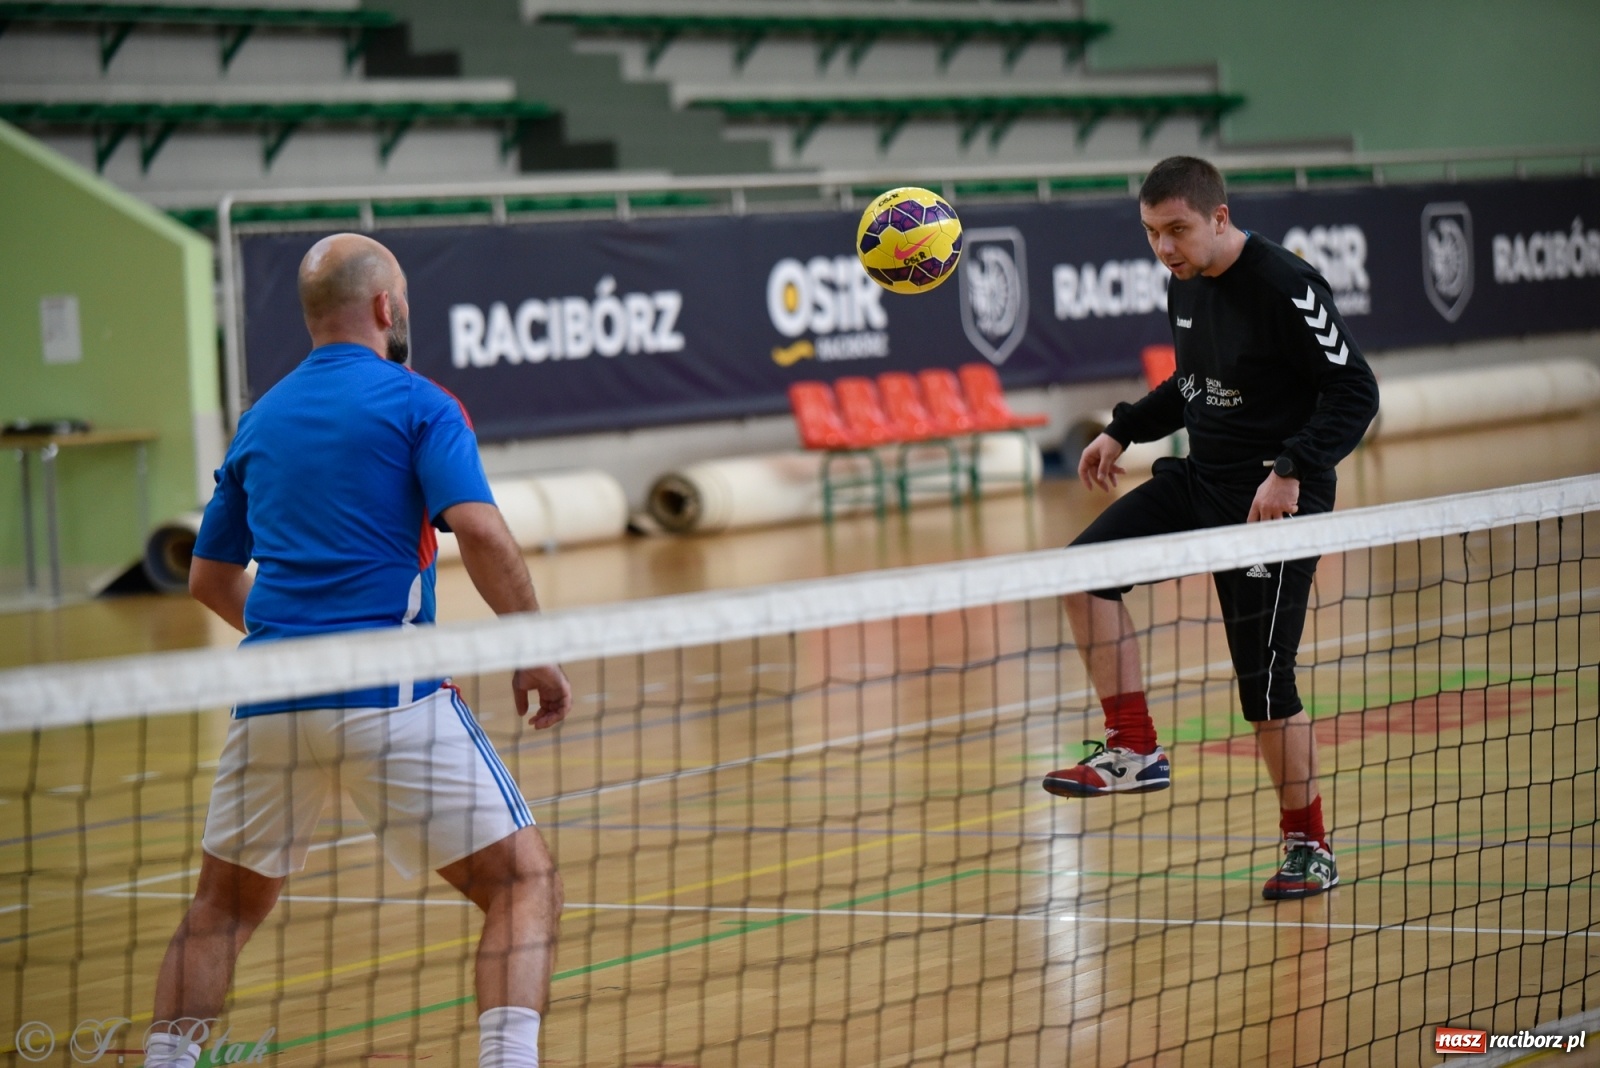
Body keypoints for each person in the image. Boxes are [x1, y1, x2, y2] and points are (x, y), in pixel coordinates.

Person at [145, 233, 572, 1068]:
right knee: (523, 884)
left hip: (270, 703)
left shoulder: (259, 419)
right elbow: (479, 529)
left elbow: (208, 576)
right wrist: (533, 647)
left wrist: (300, 643)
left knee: (220, 912)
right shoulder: (421, 403)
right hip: (390, 695)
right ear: (387, 308)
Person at [1042, 156, 1379, 901]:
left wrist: (1291, 468)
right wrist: (1124, 430)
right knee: (1080, 573)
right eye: (1152, 234)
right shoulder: (1185, 282)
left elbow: (1355, 387)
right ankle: (1133, 747)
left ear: (1219, 218)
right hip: (1201, 482)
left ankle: (1308, 845)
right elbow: (1192, 386)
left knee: (1263, 688)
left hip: (1272, 507)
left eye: (1177, 231)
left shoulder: (1283, 284)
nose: (1164, 248)